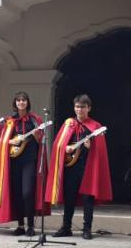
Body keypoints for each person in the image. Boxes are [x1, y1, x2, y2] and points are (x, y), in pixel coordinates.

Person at [44, 94, 112, 239]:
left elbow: (100, 151)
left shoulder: (95, 126)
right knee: (69, 198)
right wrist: (65, 148)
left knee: (88, 198)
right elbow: (58, 145)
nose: (79, 110)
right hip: (70, 167)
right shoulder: (69, 124)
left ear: (89, 108)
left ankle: (87, 229)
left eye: (82, 107)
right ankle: (66, 227)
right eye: (77, 107)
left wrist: (90, 147)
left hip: (88, 167)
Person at [0, 91, 49, 236]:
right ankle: (21, 225)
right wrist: (10, 141)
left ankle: (30, 226)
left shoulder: (35, 120)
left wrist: (37, 136)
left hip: (30, 160)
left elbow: (42, 140)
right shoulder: (9, 121)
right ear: (15, 103)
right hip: (14, 161)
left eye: (24, 100)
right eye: (18, 100)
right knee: (16, 194)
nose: (21, 102)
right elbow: (2, 141)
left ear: (28, 102)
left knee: (27, 193)